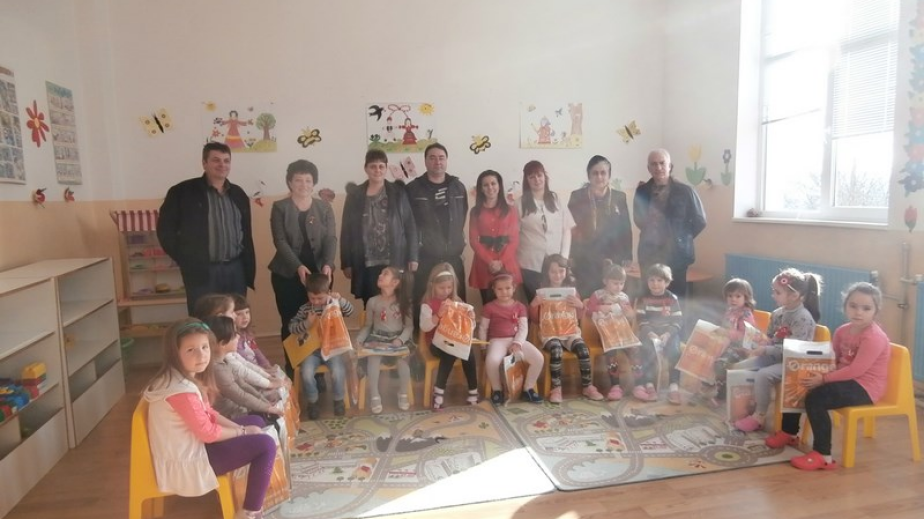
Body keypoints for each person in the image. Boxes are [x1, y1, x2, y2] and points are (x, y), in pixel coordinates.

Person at [142, 318, 276, 519]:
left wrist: (242, 430)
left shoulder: (181, 378)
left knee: (255, 422)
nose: (201, 355)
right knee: (265, 445)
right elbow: (208, 433)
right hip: (192, 460)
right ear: (174, 353)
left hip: (195, 445)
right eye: (191, 350)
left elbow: (209, 413)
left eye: (205, 347)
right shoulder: (180, 391)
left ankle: (248, 490)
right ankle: (250, 511)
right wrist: (241, 432)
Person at [788, 283, 890, 470]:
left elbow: (856, 370)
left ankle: (823, 455)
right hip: (844, 379)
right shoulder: (842, 330)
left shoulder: (874, 337)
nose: (858, 312)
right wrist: (814, 370)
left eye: (866, 308)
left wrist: (823, 379)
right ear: (845, 306)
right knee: (799, 382)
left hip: (865, 387)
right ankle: (789, 433)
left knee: (816, 398)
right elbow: (832, 358)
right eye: (853, 306)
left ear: (876, 311)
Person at [158, 142, 255, 314]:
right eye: (216, 160)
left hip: (235, 269)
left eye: (226, 160)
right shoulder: (182, 192)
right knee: (204, 319)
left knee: (236, 318)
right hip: (201, 270)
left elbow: (245, 233)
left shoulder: (238, 194)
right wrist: (185, 258)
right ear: (204, 163)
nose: (222, 165)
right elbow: (165, 230)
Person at [268, 160, 337, 375]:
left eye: (308, 180)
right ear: (290, 182)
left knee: (321, 321)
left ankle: (318, 371)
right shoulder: (279, 207)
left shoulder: (324, 207)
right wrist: (298, 266)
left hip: (320, 276)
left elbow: (331, 238)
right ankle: (293, 370)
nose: (304, 184)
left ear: (314, 183)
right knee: (292, 321)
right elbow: (280, 241)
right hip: (287, 275)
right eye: (298, 180)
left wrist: (328, 264)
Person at [733, 268, 823, 432]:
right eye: (773, 291)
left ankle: (759, 416)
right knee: (741, 367)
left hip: (794, 363)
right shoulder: (777, 314)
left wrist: (766, 350)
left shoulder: (803, 318)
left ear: (794, 296)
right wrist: (757, 342)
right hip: (776, 356)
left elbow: (795, 350)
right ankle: (744, 408)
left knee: (763, 375)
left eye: (777, 292)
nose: (773, 295)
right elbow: (770, 338)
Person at [341, 150, 419, 307]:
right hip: (365, 261)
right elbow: (346, 231)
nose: (377, 170)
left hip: (394, 259)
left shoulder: (398, 192)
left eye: (381, 166)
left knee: (396, 304)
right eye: (373, 166)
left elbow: (410, 225)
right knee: (371, 304)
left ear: (386, 168)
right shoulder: (355, 195)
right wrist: (346, 262)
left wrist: (413, 256)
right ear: (366, 168)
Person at [528, 254, 603, 403]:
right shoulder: (542, 292)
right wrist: (533, 305)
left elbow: (579, 316)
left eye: (561, 271)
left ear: (566, 271)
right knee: (556, 350)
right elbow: (536, 319)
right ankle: (556, 388)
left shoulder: (572, 292)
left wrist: (580, 305)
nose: (557, 275)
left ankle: (587, 386)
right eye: (553, 272)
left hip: (570, 332)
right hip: (550, 334)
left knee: (583, 349)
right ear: (547, 273)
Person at [634, 148, 707, 302]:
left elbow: (700, 220)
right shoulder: (641, 191)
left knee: (676, 298)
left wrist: (681, 237)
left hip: (677, 254)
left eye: (662, 163)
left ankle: (676, 320)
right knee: (649, 295)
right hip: (649, 253)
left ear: (670, 166)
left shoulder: (686, 191)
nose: (658, 167)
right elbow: (638, 218)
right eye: (654, 164)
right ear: (648, 168)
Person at [406, 143, 469, 307]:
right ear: (425, 161)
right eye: (432, 158)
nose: (437, 162)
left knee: (456, 305)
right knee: (424, 304)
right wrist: (412, 254)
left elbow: (462, 217)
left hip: (453, 257)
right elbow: (408, 224)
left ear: (446, 160)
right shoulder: (413, 189)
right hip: (425, 256)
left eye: (441, 158)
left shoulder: (458, 187)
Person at [287, 273, 355, 419]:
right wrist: (307, 323)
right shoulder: (305, 309)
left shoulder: (333, 304)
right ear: (307, 294)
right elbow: (291, 327)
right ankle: (313, 402)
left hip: (332, 350)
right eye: (312, 298)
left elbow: (350, 311)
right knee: (306, 373)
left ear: (328, 292)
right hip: (312, 352)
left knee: (338, 371)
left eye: (320, 298)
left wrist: (340, 299)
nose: (316, 301)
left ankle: (338, 400)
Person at [568, 155, 633, 298]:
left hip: (613, 256)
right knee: (587, 297)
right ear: (589, 175)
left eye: (603, 173)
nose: (599, 177)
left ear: (609, 175)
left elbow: (625, 228)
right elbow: (571, 229)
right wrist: (571, 255)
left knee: (610, 297)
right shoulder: (577, 196)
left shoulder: (619, 197)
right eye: (595, 173)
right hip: (585, 258)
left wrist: (628, 256)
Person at [355, 267, 415, 414]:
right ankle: (375, 395)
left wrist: (400, 340)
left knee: (403, 363)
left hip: (396, 340)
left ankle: (403, 392)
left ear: (395, 282)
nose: (380, 275)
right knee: (373, 359)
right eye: (381, 273)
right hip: (378, 339)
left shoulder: (404, 302)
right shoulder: (372, 301)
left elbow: (409, 327)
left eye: (385, 274)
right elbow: (368, 326)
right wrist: (359, 339)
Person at [478, 273, 544, 405]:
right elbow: (483, 328)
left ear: (514, 288)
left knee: (538, 358)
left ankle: (528, 389)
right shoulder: (489, 307)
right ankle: (497, 390)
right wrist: (483, 347)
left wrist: (517, 343)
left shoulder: (520, 307)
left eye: (508, 288)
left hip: (517, 340)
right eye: (500, 289)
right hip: (497, 341)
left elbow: (523, 328)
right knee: (492, 361)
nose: (504, 292)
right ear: (494, 289)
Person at [420, 263, 479, 410]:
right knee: (450, 349)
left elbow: (468, 329)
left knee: (468, 351)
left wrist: (471, 319)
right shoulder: (428, 304)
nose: (446, 291)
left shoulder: (458, 302)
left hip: (454, 341)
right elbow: (424, 327)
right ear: (432, 285)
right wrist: (438, 315)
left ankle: (473, 391)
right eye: (442, 287)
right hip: (435, 344)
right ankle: (438, 391)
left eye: (449, 287)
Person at [203, 315, 283, 421]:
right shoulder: (217, 370)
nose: (238, 336)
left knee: (274, 399)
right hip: (231, 415)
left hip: (241, 408)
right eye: (234, 335)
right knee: (263, 419)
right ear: (222, 344)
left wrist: (265, 402)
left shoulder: (225, 360)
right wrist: (267, 408)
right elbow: (240, 396)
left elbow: (242, 385)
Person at [518, 160, 575, 303]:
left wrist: (564, 258)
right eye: (531, 177)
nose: (536, 180)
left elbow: (566, 229)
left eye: (539, 175)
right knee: (536, 304)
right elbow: (514, 234)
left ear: (545, 176)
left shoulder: (556, 199)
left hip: (556, 264)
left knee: (556, 303)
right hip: (530, 264)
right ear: (526, 180)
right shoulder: (519, 203)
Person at [699, 278, 757, 407]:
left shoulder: (746, 314)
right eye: (730, 296)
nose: (733, 299)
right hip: (726, 345)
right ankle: (708, 385)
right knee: (705, 355)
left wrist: (726, 333)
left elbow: (746, 335)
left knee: (720, 364)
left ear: (746, 297)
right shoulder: (730, 311)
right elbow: (725, 327)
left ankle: (721, 394)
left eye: (738, 296)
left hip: (741, 349)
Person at [586, 262, 637, 401]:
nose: (618, 287)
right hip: (604, 334)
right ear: (605, 281)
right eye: (615, 283)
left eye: (621, 283)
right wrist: (602, 308)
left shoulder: (624, 297)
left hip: (622, 333)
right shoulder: (598, 295)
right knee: (611, 353)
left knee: (635, 350)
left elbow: (630, 317)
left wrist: (629, 313)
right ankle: (615, 385)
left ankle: (639, 384)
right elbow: (589, 310)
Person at [469, 170, 520, 304]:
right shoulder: (475, 211)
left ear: (499, 185)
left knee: (508, 305)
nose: (490, 187)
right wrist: (490, 261)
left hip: (507, 261)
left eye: (493, 183)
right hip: (484, 263)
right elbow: (474, 240)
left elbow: (514, 240)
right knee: (488, 305)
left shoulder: (511, 210)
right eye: (485, 185)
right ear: (481, 188)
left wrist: (501, 262)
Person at [635, 264, 683, 404]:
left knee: (675, 352)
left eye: (659, 280)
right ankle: (649, 384)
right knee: (647, 351)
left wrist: (668, 334)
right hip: (649, 333)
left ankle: (673, 386)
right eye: (652, 280)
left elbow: (677, 321)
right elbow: (641, 320)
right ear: (647, 281)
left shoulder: (672, 298)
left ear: (667, 282)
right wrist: (650, 333)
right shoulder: (643, 298)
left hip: (668, 333)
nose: (655, 284)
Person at [232, 294, 273, 370]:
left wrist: (267, 365)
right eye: (239, 314)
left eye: (247, 312)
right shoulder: (232, 340)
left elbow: (256, 351)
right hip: (248, 371)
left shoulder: (247, 334)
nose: (245, 317)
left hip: (258, 369)